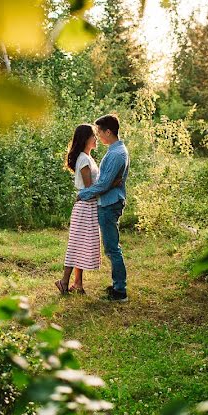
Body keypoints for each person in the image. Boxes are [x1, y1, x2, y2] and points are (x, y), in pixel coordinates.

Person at [78, 114, 129, 302]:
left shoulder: (117, 154)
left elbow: (103, 184)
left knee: (112, 248)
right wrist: (107, 183)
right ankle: (117, 285)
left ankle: (120, 291)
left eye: (99, 132)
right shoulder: (115, 150)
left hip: (109, 204)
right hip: (108, 201)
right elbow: (106, 181)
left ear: (108, 131)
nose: (98, 136)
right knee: (111, 247)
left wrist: (82, 195)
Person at [56, 124, 102, 295]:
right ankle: (64, 281)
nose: (96, 139)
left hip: (89, 206)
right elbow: (89, 188)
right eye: (93, 136)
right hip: (85, 207)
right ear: (85, 139)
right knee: (76, 245)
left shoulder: (87, 157)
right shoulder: (83, 159)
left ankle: (78, 284)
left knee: (82, 246)